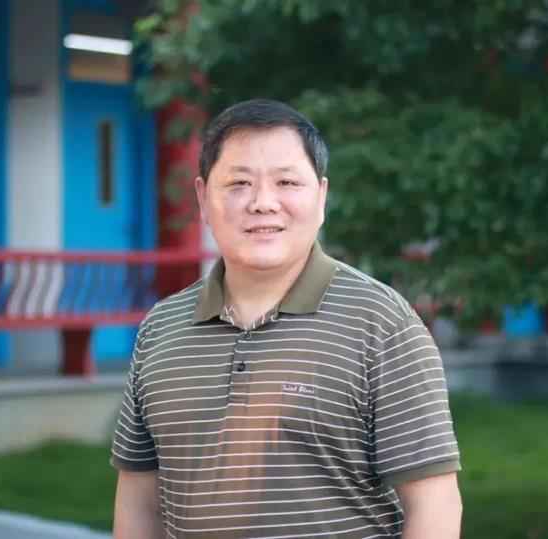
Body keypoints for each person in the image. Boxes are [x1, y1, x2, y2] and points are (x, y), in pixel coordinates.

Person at [110, 99, 462, 538]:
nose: (263, 203)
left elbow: (433, 501)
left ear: (321, 196)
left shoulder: (382, 324)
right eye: (239, 183)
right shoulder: (161, 328)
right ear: (202, 197)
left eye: (287, 182)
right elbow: (139, 497)